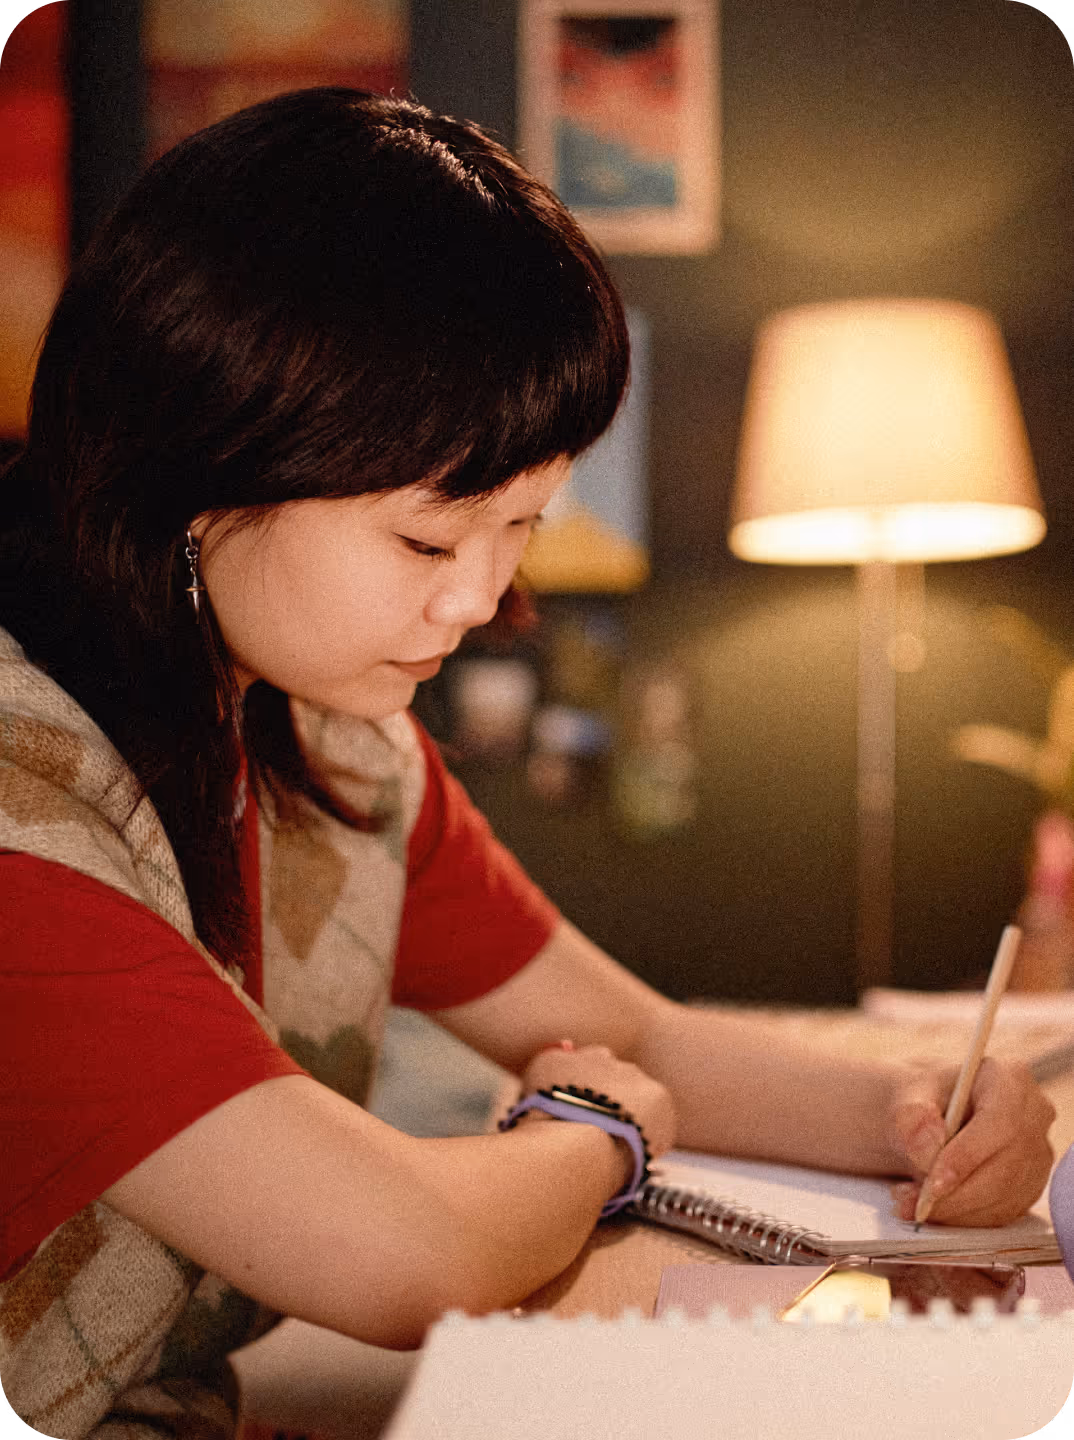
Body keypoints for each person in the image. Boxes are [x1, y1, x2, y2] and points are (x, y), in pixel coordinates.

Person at [0, 88, 1055, 1440]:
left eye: (521, 528)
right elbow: (407, 1252)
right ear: (198, 474)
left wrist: (928, 1107)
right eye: (427, 542)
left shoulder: (332, 741)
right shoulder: (27, 822)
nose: (483, 601)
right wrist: (596, 1131)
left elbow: (640, 1033)